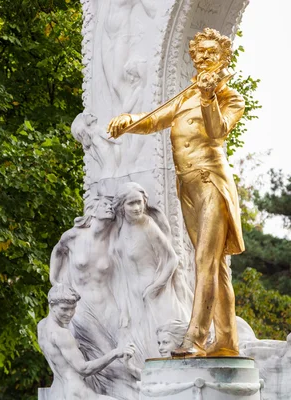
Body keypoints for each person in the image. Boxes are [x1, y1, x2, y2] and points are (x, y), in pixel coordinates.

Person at [107, 27, 245, 357]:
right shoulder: (185, 96)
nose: (201, 60)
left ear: (223, 58)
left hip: (212, 181)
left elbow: (218, 132)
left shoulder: (230, 97)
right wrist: (129, 120)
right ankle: (226, 341)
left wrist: (210, 97)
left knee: (204, 260)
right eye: (197, 55)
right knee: (216, 265)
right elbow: (154, 121)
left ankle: (195, 339)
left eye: (209, 54)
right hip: (188, 187)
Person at [109, 182, 192, 364]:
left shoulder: (147, 224)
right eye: (131, 203)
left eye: (139, 202)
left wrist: (157, 286)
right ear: (121, 206)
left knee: (168, 343)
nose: (138, 208)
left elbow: (172, 259)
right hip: (133, 296)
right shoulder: (119, 231)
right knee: (145, 346)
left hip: (156, 293)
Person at [38, 285, 136, 400]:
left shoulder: (42, 326)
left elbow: (58, 355)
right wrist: (115, 353)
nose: (69, 313)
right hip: (77, 392)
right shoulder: (62, 334)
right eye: (64, 309)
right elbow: (84, 369)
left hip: (58, 391)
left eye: (73, 308)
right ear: (51, 305)